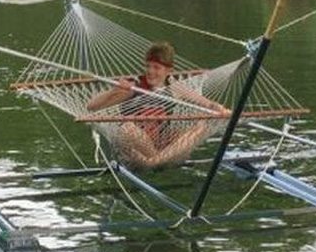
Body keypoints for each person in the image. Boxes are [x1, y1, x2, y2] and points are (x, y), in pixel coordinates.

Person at [87, 42, 229, 169]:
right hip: (138, 150)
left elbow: (208, 104)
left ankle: (154, 162)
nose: (150, 71)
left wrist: (222, 110)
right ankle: (157, 162)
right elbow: (92, 107)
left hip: (163, 145)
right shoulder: (135, 86)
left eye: (156, 67)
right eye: (148, 66)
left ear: (168, 71)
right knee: (127, 128)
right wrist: (114, 90)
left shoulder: (174, 87)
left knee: (201, 126)